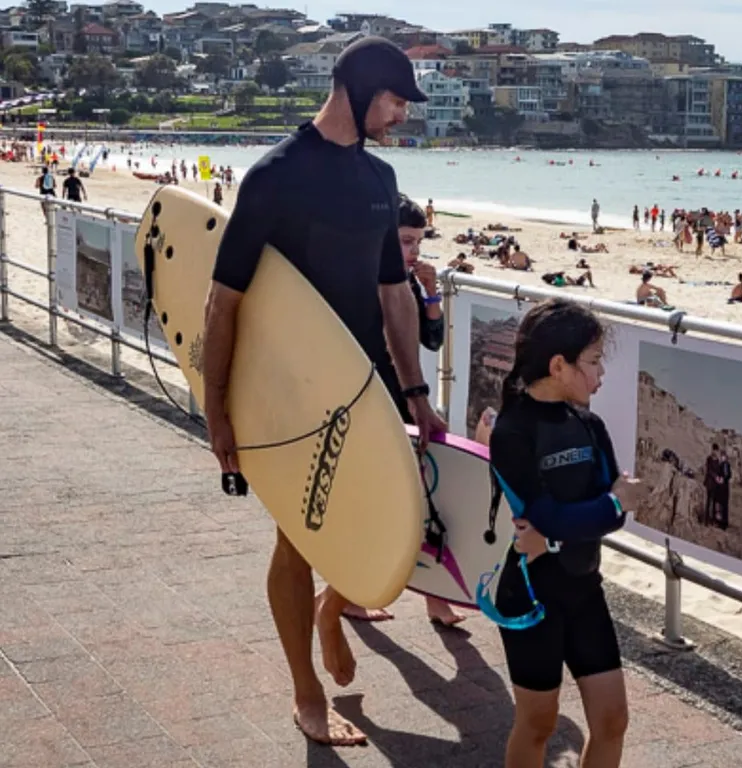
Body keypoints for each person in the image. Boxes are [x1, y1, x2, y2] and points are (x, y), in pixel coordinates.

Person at [202, 37, 445, 747]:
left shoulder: (378, 178)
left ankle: (329, 610)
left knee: (391, 516)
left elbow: (393, 293)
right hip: (288, 395)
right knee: (298, 537)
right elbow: (225, 300)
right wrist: (217, 410)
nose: (401, 115)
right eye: (396, 100)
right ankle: (307, 693)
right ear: (361, 90)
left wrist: (418, 394)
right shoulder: (276, 176)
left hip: (366, 386)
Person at [487, 298, 644, 768]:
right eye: (593, 362)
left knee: (612, 719)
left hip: (582, 586)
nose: (600, 374)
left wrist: (567, 529)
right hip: (530, 596)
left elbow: (610, 515)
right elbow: (554, 513)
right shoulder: (513, 431)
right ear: (559, 365)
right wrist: (607, 505)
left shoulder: (589, 425)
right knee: (538, 724)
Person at [328, 193, 465, 627]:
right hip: (372, 404)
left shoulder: (405, 281)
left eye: (418, 245)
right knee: (372, 503)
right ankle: (342, 594)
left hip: (409, 402)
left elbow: (433, 341)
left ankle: (434, 598)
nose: (412, 253)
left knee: (427, 498)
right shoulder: (359, 280)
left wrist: (430, 293)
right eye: (405, 242)